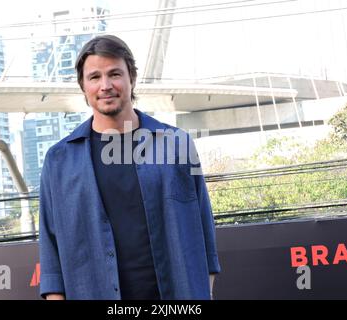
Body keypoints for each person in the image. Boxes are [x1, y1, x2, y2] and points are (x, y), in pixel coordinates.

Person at [38, 34, 221, 300]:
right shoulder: (59, 161)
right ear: (83, 86)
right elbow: (50, 249)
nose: (106, 85)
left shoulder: (176, 145)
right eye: (94, 77)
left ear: (131, 78)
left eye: (115, 74)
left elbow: (204, 230)